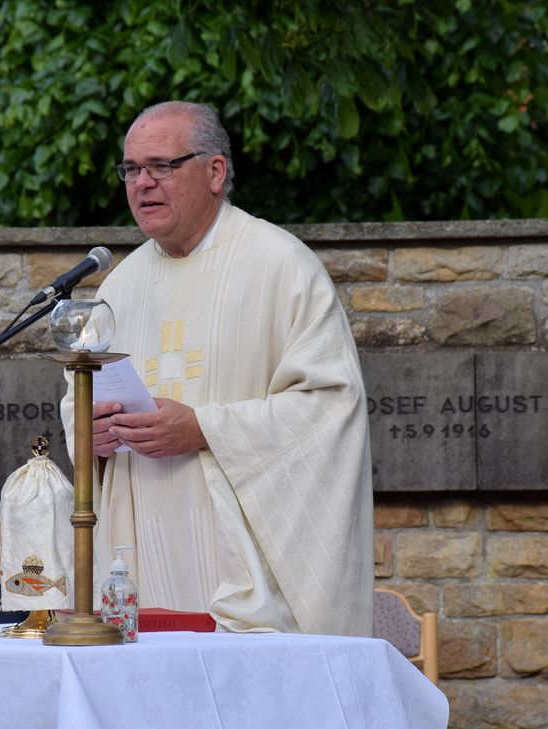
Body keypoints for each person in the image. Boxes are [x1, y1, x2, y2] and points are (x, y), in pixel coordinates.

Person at [61, 101, 373, 636]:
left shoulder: (281, 266)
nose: (143, 184)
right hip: (139, 551)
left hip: (243, 568)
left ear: (215, 172)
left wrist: (204, 428)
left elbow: (330, 408)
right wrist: (93, 430)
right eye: (131, 169)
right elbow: (78, 397)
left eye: (161, 166)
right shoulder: (119, 287)